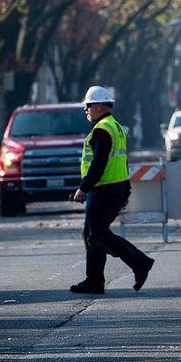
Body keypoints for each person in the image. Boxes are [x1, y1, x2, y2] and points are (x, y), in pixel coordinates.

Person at [69, 86, 154, 295]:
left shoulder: (102, 130)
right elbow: (121, 161)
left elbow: (99, 163)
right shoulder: (115, 126)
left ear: (99, 106)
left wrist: (84, 187)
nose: (86, 110)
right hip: (114, 188)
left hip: (102, 190)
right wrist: (125, 189)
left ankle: (139, 262)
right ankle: (94, 281)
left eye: (88, 106)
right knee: (92, 233)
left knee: (97, 234)